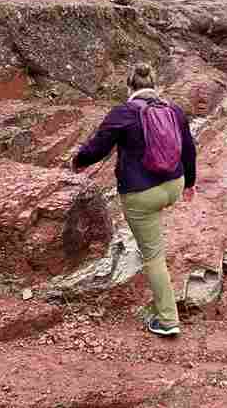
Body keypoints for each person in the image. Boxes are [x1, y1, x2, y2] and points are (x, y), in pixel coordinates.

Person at [73, 63, 197, 337]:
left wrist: (79, 161)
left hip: (142, 194)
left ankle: (167, 321)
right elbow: (188, 148)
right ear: (155, 85)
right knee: (154, 230)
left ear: (129, 87)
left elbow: (98, 146)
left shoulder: (124, 113)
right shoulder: (173, 110)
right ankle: (152, 246)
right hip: (173, 185)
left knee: (153, 256)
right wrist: (189, 184)